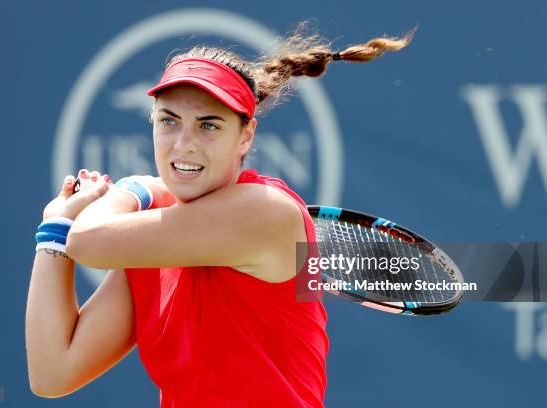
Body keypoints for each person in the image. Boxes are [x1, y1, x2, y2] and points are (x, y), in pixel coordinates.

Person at [26, 23, 414, 407]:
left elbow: (88, 241)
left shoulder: (266, 210)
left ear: (246, 135)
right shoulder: (150, 240)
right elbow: (53, 373)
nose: (184, 144)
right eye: (169, 121)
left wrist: (135, 188)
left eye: (208, 125)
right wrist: (53, 229)